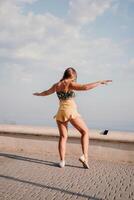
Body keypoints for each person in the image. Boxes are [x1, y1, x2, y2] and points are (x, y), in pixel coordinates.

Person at [33, 67, 112, 169]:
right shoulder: (69, 83)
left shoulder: (57, 85)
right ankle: (85, 156)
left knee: (63, 137)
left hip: (60, 112)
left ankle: (62, 161)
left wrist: (38, 94)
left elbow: (46, 92)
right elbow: (85, 87)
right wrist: (99, 82)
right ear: (73, 75)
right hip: (70, 111)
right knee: (85, 132)